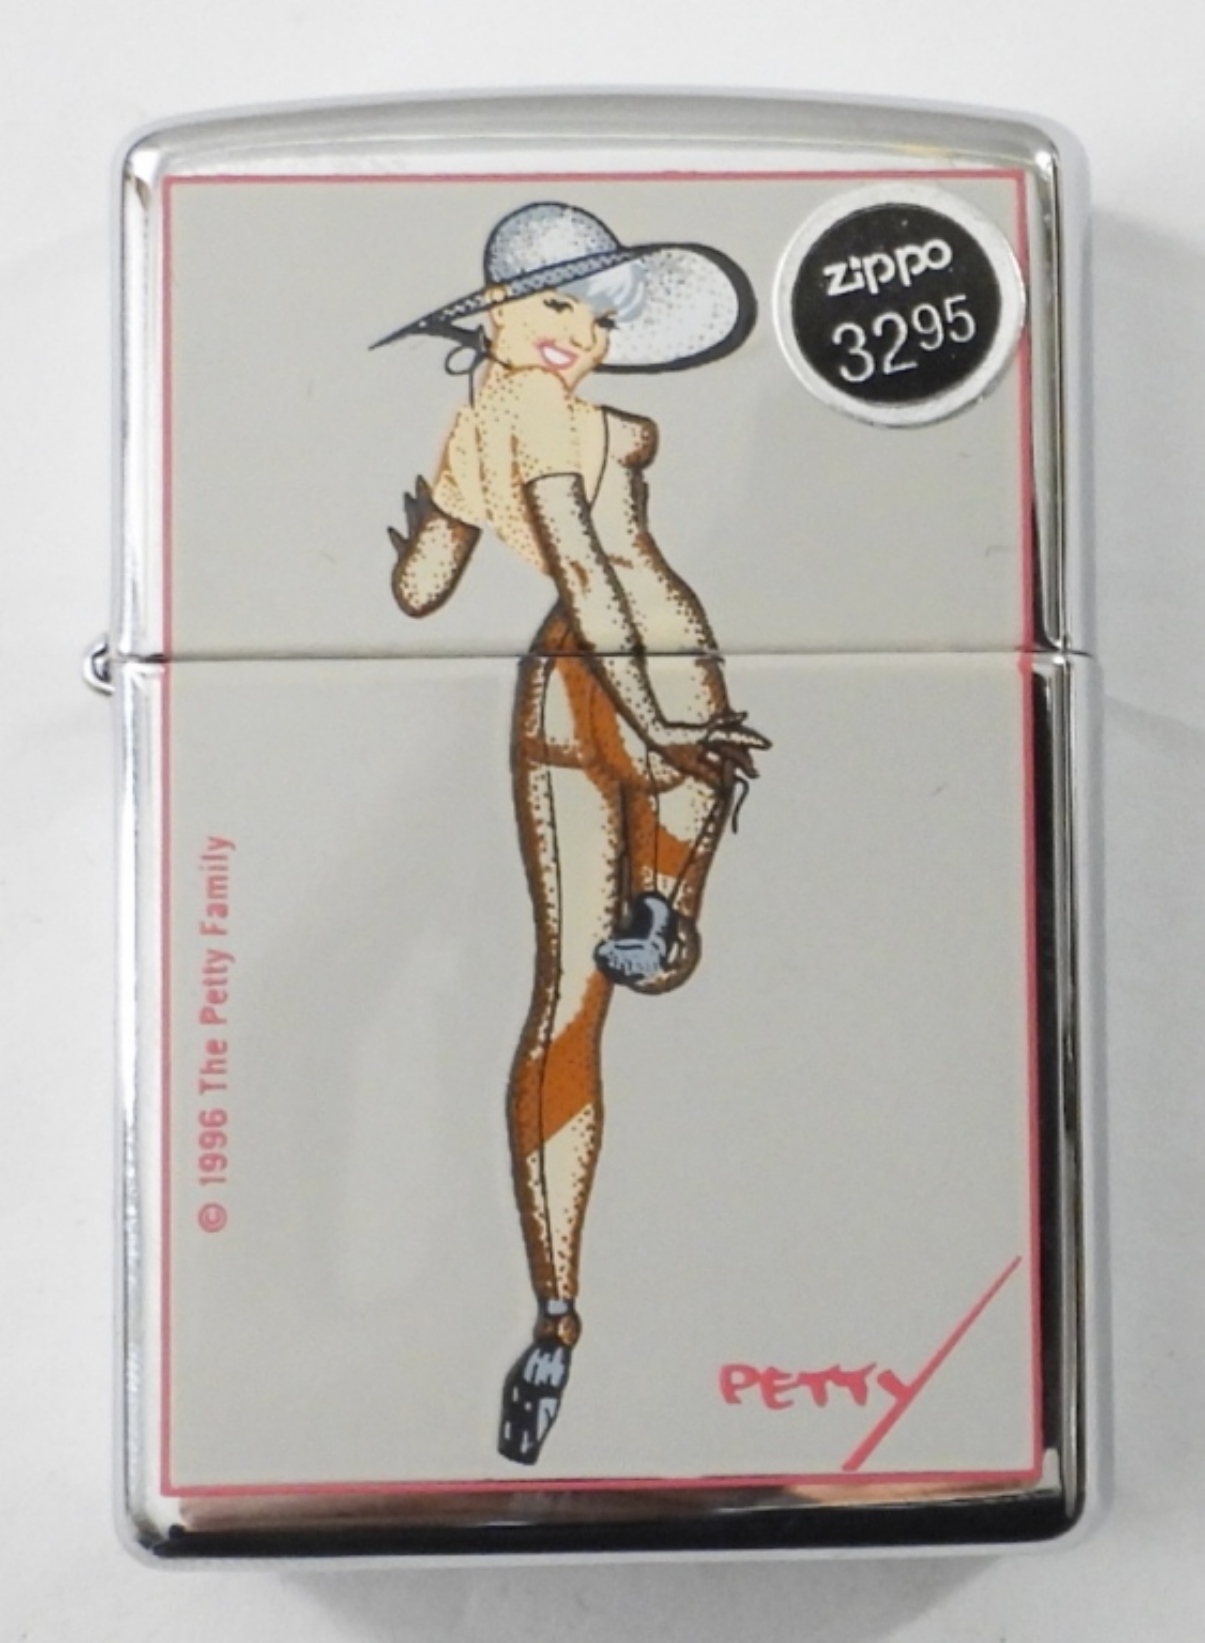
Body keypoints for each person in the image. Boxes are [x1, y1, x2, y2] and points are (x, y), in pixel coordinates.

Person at [374, 202, 770, 1465]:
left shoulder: (478, 421)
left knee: (563, 998)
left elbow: (420, 587)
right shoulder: (552, 418)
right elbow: (596, 571)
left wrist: (446, 503)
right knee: (666, 892)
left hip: (554, 687)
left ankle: (553, 1320)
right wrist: (659, 724)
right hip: (650, 660)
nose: (580, 337)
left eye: (599, 319)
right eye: (559, 306)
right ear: (495, 309)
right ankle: (667, 915)